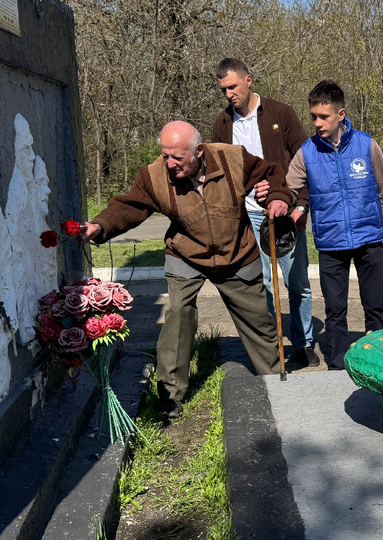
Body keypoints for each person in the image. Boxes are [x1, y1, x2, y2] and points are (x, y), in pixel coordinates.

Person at [81, 121, 294, 418]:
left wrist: (277, 198)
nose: (170, 163)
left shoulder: (233, 158)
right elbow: (129, 206)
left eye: (177, 157)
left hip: (237, 252)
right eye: (165, 155)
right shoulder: (154, 175)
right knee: (179, 315)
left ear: (199, 151)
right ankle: (169, 395)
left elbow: (270, 173)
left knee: (258, 320)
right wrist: (99, 226)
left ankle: (275, 380)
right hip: (186, 253)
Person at [211, 58, 320, 369]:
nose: (229, 93)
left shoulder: (280, 113)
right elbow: (223, 173)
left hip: (284, 211)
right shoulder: (222, 123)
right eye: (223, 89)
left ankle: (304, 342)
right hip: (247, 214)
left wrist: (302, 205)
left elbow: (305, 160)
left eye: (232, 86)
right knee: (263, 284)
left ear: (248, 80)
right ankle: (272, 347)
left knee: (296, 280)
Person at [281, 80, 383, 370]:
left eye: (324, 117)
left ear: (341, 114)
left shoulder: (367, 145)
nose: (317, 123)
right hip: (331, 244)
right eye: (313, 117)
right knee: (335, 310)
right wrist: (275, 198)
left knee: (374, 307)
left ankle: (377, 362)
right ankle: (338, 365)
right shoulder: (307, 153)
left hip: (370, 239)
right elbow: (287, 190)